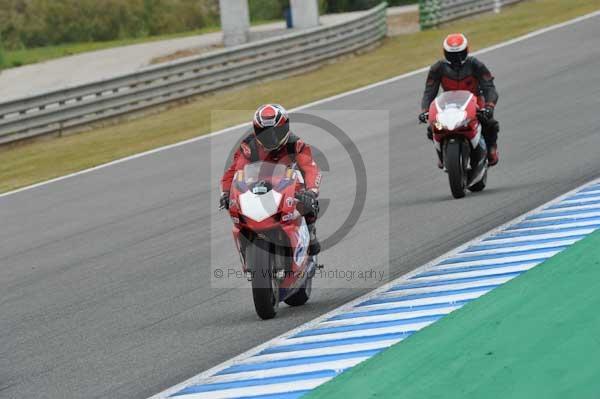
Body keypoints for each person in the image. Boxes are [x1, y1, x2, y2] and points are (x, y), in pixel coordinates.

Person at [220, 104, 322, 255]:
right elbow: (234, 172)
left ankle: (311, 230)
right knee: (237, 208)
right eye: (265, 133)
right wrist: (226, 193)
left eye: (276, 132)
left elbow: (310, 168)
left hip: (290, 186)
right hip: (259, 186)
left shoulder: (296, 144)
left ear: (285, 128)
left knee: (309, 200)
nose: (271, 138)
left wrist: (312, 192)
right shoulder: (248, 146)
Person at [419, 33, 500, 167]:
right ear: (445, 53)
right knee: (434, 127)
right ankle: (442, 155)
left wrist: (489, 106)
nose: (456, 58)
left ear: (466, 50)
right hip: (449, 105)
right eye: (452, 55)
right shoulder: (437, 68)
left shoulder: (476, 65)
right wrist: (425, 111)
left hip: (475, 102)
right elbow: (429, 91)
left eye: (459, 54)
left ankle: (491, 149)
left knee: (489, 123)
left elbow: (489, 87)